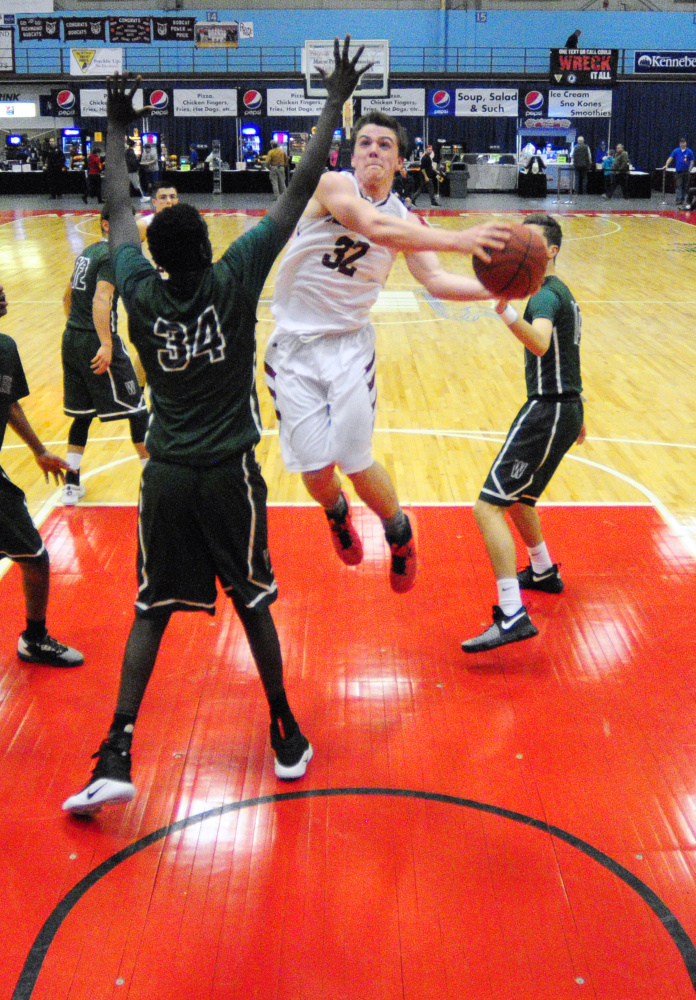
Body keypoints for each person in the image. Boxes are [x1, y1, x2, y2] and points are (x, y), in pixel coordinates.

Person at [62, 37, 369, 816]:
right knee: (254, 597)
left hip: (164, 473)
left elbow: (119, 210)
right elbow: (299, 190)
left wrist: (114, 128)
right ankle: (286, 731)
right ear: (207, 248)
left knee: (150, 607)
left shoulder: (136, 284)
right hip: (228, 472)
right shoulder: (235, 278)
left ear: (161, 261)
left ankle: (119, 746)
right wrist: (334, 100)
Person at [265, 110, 510, 594]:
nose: (372, 151)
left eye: (384, 146)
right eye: (365, 144)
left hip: (349, 347)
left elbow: (435, 280)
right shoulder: (334, 186)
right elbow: (371, 226)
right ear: (351, 154)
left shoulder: (406, 219)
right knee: (315, 472)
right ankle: (336, 514)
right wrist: (460, 239)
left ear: (400, 162)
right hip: (292, 349)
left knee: (355, 460)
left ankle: (398, 531)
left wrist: (497, 291)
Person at [462, 214, 585, 654]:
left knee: (487, 507)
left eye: (530, 240)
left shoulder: (544, 298)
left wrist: (504, 309)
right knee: (517, 499)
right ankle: (543, 570)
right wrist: (579, 409)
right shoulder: (559, 291)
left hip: (547, 412)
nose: (519, 244)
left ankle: (512, 613)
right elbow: (569, 354)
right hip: (562, 407)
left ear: (549, 251)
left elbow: (541, 343)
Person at [0, 284, 84, 668]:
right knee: (34, 557)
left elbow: (8, 402)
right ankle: (33, 640)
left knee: (33, 557)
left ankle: (34, 638)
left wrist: (38, 450)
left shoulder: (5, 347)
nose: (2, 291)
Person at [61, 205, 149, 505]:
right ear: (107, 226)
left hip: (71, 339)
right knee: (137, 407)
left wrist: (77, 327)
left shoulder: (88, 251)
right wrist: (105, 344)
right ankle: (152, 479)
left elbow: (68, 294)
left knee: (82, 415)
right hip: (97, 340)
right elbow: (101, 297)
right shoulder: (112, 256)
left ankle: (71, 484)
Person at [664, 138, 695, 208]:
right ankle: (678, 199)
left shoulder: (689, 151)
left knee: (685, 186)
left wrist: (689, 169)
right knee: (679, 185)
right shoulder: (676, 151)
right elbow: (670, 158)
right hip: (678, 171)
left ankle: (683, 199)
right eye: (681, 142)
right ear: (679, 143)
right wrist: (666, 165)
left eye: (683, 142)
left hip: (686, 171)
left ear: (685, 143)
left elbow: (692, 161)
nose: (682, 144)